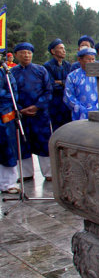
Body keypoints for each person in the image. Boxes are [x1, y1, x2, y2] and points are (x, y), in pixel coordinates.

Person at [10, 42, 53, 182]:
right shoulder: (11, 73)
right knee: (23, 142)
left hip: (39, 114)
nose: (26, 55)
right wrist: (20, 108)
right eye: (22, 53)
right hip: (21, 114)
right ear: (16, 55)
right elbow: (8, 93)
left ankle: (49, 172)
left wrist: (37, 106)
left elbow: (48, 90)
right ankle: (26, 173)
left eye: (29, 53)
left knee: (43, 142)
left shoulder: (41, 70)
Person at [43, 38, 72, 131]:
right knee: (57, 127)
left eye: (64, 48)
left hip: (67, 100)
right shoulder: (47, 66)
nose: (64, 50)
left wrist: (61, 82)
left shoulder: (67, 65)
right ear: (53, 51)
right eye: (60, 48)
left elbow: (71, 82)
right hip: (55, 101)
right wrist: (65, 83)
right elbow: (51, 85)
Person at [64, 48, 99, 121]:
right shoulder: (72, 76)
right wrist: (80, 108)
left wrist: (96, 107)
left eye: (93, 59)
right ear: (80, 60)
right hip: (79, 114)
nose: (91, 62)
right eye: (89, 59)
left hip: (98, 111)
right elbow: (68, 96)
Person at [0, 64, 20, 194]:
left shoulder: (4, 72)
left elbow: (12, 93)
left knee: (7, 146)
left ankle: (8, 183)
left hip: (4, 113)